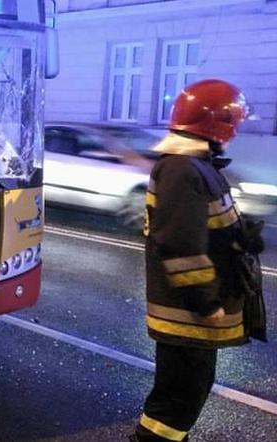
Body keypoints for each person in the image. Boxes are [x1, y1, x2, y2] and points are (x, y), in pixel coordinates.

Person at [133, 79, 264, 441]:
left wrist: (237, 237)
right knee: (175, 405)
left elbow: (200, 229)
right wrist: (205, 302)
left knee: (182, 400)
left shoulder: (197, 166)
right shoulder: (183, 169)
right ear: (218, 124)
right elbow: (179, 243)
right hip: (187, 316)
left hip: (191, 317)